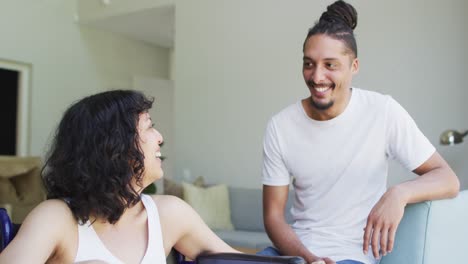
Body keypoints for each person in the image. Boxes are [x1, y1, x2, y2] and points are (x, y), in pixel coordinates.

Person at [260, 1, 460, 264]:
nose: (317, 76)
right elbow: (273, 216)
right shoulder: (280, 126)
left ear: (354, 66)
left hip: (352, 256)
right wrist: (306, 257)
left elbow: (448, 180)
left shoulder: (383, 111)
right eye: (309, 64)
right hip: (296, 254)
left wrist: (398, 194)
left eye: (330, 65)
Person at [0, 90, 237, 263]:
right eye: (148, 126)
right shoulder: (56, 218)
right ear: (114, 146)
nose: (160, 137)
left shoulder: (169, 214)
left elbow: (239, 262)